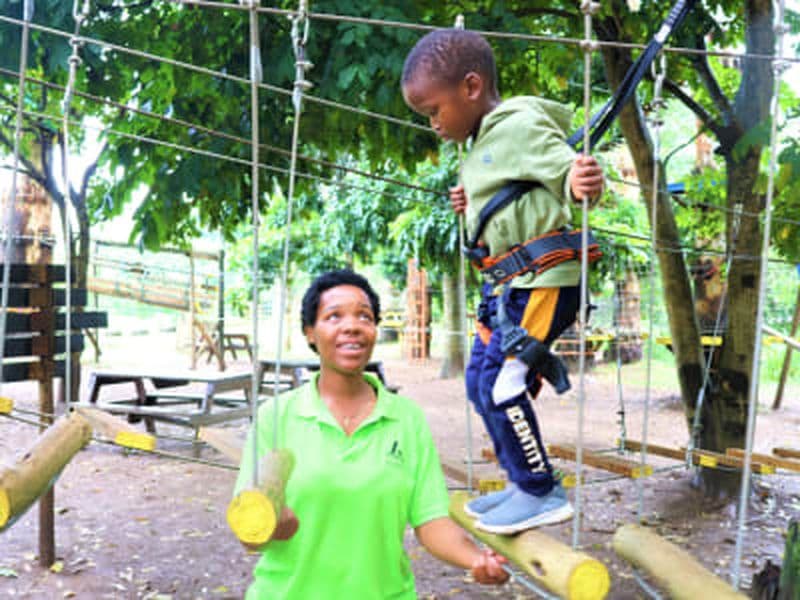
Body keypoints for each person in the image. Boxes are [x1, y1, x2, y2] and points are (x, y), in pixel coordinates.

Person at [402, 29, 604, 535]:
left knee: (501, 383)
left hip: (544, 281)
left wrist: (580, 181)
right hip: (510, 287)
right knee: (478, 381)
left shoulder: (518, 126)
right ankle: (519, 484)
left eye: (434, 110)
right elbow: (513, 194)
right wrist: (472, 204)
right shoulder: (484, 142)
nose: (433, 125)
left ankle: (539, 490)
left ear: (471, 87)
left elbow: (564, 172)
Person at [234, 269, 509, 599]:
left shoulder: (406, 419)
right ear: (310, 332)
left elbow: (430, 520)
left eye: (364, 316)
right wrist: (274, 524)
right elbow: (248, 534)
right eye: (333, 316)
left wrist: (477, 559)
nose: (351, 326)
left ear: (375, 330)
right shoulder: (275, 417)